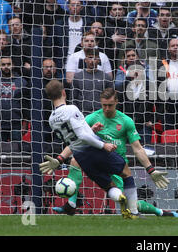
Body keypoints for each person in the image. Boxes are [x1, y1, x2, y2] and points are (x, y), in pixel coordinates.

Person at [40, 83, 169, 218]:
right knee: (126, 172)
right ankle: (133, 213)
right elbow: (83, 136)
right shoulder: (72, 109)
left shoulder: (51, 120)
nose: (106, 109)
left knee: (109, 187)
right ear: (64, 93)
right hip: (96, 150)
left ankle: (115, 200)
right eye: (104, 105)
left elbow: (75, 138)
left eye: (110, 105)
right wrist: (103, 145)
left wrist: (60, 158)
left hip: (81, 156)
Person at [115, 48, 155, 145]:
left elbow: (158, 105)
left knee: (145, 151)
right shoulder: (123, 87)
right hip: (127, 126)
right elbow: (119, 107)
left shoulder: (150, 87)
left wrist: (152, 120)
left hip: (144, 127)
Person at [0, 56, 31, 144]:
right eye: (3, 64)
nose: (6, 67)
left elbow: (26, 104)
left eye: (8, 64)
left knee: (17, 153)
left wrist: (25, 123)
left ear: (13, 65)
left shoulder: (22, 82)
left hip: (16, 124)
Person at [71, 48, 113, 115]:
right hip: (83, 115)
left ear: (99, 60)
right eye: (90, 57)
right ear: (85, 60)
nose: (92, 61)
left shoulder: (106, 77)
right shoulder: (77, 77)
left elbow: (111, 98)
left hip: (101, 115)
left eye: (95, 58)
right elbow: (73, 99)